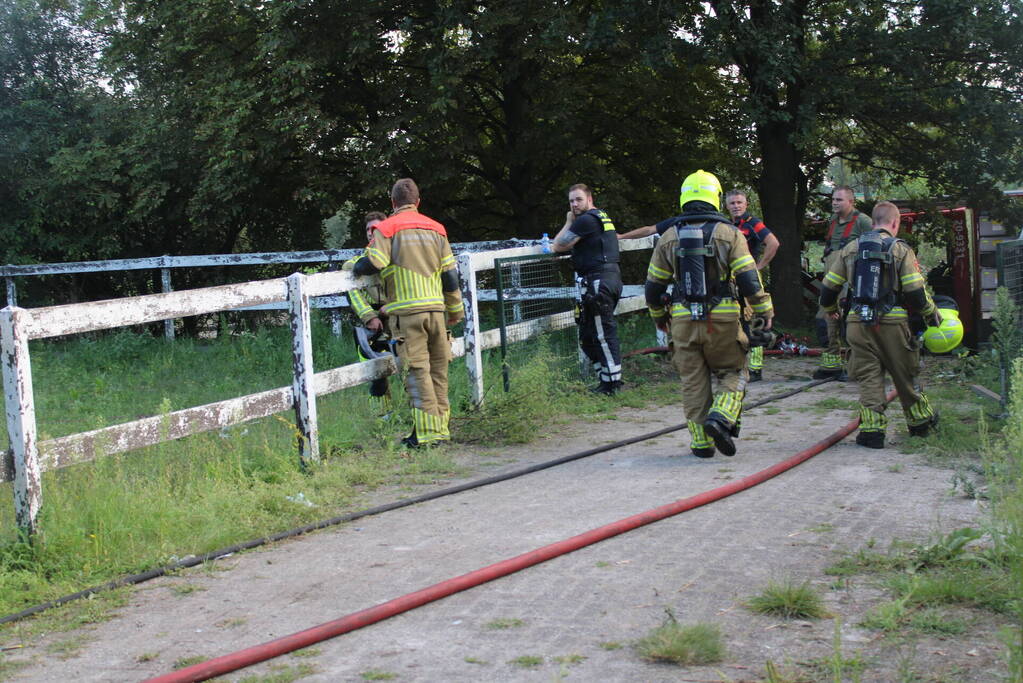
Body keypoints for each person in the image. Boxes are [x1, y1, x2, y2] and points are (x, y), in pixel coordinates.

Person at [645, 170, 773, 458]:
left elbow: (653, 288)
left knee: (693, 380)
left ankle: (702, 443)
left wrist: (658, 317)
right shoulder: (730, 234)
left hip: (682, 321)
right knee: (734, 372)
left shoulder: (668, 237)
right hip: (723, 320)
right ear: (715, 198)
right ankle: (721, 416)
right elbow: (749, 281)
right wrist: (764, 310)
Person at [819, 201, 939, 449]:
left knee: (869, 377)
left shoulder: (850, 248)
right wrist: (931, 313)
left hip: (857, 322)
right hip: (892, 321)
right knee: (905, 373)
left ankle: (872, 432)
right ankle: (921, 424)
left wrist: (832, 311)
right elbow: (916, 293)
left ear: (872, 222)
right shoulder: (901, 250)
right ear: (895, 223)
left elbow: (828, 290)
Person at [353, 179, 463, 448]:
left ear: (392, 203)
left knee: (417, 371)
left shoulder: (387, 227)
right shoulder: (437, 229)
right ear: (418, 201)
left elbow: (375, 261)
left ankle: (426, 434)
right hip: (437, 310)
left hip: (407, 313)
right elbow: (450, 275)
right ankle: (441, 428)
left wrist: (356, 267)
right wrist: (455, 310)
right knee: (439, 371)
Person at [552, 183, 623, 395]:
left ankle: (612, 384)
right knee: (587, 334)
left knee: (601, 333)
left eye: (578, 199)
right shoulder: (601, 217)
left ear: (589, 199)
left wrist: (567, 221)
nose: (574, 204)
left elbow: (558, 245)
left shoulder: (586, 220)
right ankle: (605, 379)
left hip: (598, 282)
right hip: (604, 279)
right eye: (571, 201)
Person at [814, 185, 873, 379]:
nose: (834, 203)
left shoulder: (863, 221)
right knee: (826, 315)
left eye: (839, 200)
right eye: (833, 199)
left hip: (851, 277)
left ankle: (855, 365)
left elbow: (875, 245)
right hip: (832, 271)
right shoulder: (833, 220)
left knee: (848, 317)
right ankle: (831, 365)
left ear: (851, 202)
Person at [725, 189, 780, 382]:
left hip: (749, 278)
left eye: (739, 202)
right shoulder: (727, 225)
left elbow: (773, 243)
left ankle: (755, 369)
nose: (736, 206)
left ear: (746, 204)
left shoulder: (753, 223)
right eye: (732, 203)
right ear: (727, 205)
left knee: (755, 320)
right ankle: (742, 364)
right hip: (731, 280)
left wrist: (759, 266)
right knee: (736, 320)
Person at [343, 211, 392, 417]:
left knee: (407, 365)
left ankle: (411, 412)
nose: (371, 233)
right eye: (367, 230)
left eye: (376, 229)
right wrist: (369, 316)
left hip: (397, 316)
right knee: (375, 371)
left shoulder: (397, 258)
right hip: (372, 322)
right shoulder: (354, 264)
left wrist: (392, 307)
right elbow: (352, 293)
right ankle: (382, 417)